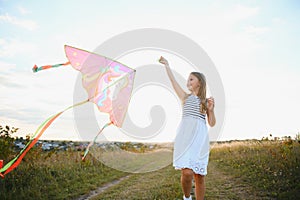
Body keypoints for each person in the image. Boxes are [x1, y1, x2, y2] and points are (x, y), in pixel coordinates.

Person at [159, 56, 216, 200]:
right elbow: (173, 82)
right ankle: (187, 197)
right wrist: (167, 65)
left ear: (199, 83)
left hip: (200, 139)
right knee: (187, 173)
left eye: (191, 79)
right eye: (188, 79)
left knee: (199, 176)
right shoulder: (185, 97)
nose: (188, 81)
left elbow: (212, 123)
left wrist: (211, 109)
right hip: (185, 137)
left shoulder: (205, 101)